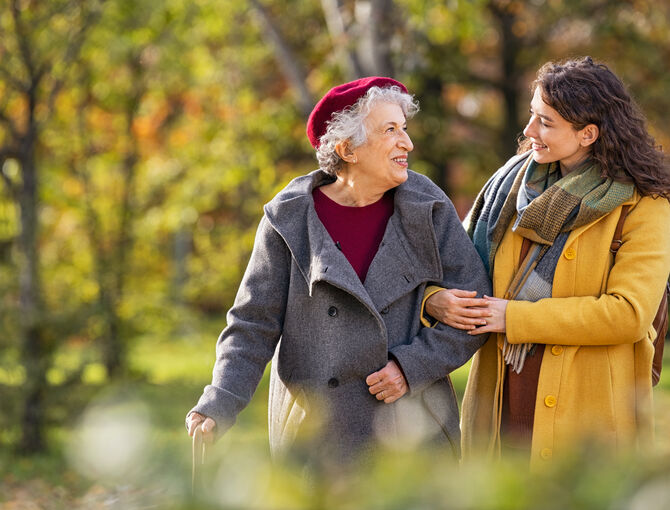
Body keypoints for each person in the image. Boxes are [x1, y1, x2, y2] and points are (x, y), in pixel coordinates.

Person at [186, 76, 491, 469]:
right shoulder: (289, 218)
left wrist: (411, 366)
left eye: (404, 128)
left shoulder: (427, 206)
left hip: (413, 430)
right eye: (390, 130)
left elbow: (475, 306)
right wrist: (219, 402)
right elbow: (252, 325)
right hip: (318, 437)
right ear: (347, 149)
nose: (407, 143)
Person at [423, 57, 670, 468]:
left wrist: (515, 318)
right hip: (500, 399)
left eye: (545, 122)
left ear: (588, 133)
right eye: (532, 115)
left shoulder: (645, 205)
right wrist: (434, 299)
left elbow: (628, 314)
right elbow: (454, 268)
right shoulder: (509, 189)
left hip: (588, 413)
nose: (528, 131)